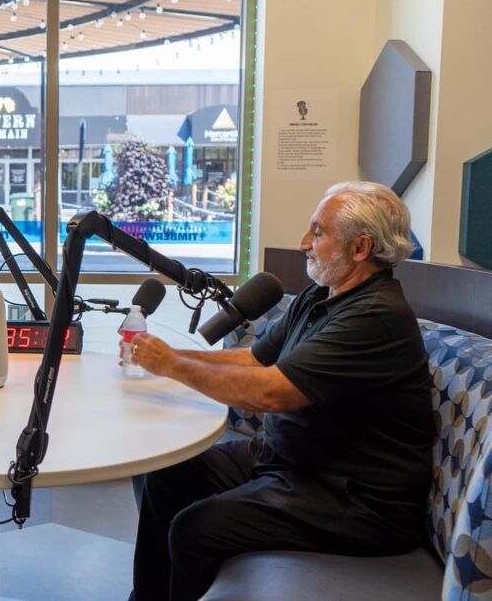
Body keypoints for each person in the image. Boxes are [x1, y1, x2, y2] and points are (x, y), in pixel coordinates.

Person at [126, 181, 435, 601]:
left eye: (318, 232)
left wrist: (172, 364)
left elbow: (271, 393)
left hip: (354, 500)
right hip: (290, 459)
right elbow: (255, 359)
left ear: (361, 248)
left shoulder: (376, 316)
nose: (304, 243)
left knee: (193, 529)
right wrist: (168, 358)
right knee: (167, 474)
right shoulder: (321, 295)